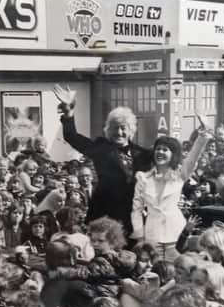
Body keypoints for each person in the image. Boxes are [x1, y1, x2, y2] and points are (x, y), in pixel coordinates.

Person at [54, 85, 152, 237]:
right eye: (114, 128)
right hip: (104, 213)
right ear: (108, 130)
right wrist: (69, 114)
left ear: (131, 130)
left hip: (132, 216)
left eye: (123, 128)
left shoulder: (142, 154)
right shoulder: (101, 148)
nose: (119, 132)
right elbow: (72, 137)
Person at [130, 134, 209, 262]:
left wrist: (203, 136)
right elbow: (136, 210)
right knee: (156, 271)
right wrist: (140, 236)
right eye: (158, 149)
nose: (160, 152)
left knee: (179, 271)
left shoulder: (180, 175)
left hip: (177, 234)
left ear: (173, 155)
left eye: (165, 150)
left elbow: (193, 157)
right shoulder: (143, 178)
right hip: (152, 237)